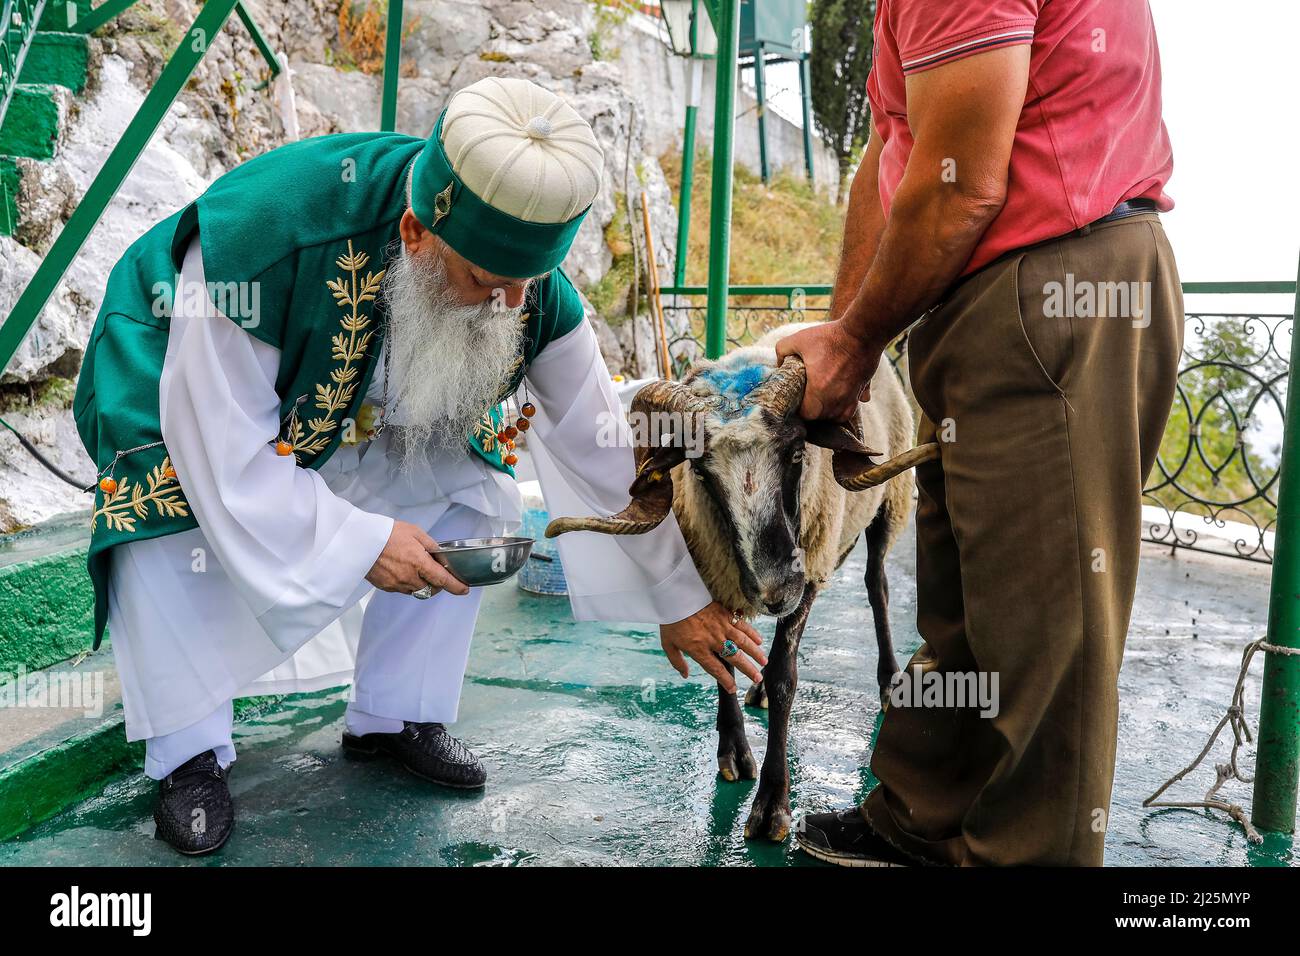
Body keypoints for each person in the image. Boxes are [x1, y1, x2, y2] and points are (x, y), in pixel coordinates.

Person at [74, 76, 764, 856]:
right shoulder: (269, 237)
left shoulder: (523, 286)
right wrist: (365, 542)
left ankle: (394, 716)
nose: (505, 308)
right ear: (414, 233)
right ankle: (189, 753)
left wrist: (677, 595)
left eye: (522, 286)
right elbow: (221, 452)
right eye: (481, 282)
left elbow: (598, 442)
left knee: (472, 496)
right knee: (169, 514)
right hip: (175, 371)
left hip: (333, 415)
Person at [782, 0, 1183, 866]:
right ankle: (926, 816)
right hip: (992, 297)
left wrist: (853, 347)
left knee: (1047, 631)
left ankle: (1029, 855)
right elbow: (894, 158)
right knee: (968, 598)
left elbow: (960, 180)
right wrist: (849, 332)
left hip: (1054, 285)